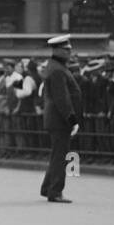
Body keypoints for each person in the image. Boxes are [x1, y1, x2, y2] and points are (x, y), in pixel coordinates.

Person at [40, 35, 82, 203]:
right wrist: (72, 119)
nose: (70, 52)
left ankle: (47, 187)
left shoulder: (56, 66)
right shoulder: (58, 69)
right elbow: (62, 98)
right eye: (67, 50)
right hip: (60, 119)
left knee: (57, 154)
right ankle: (55, 191)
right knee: (60, 156)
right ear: (58, 50)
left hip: (56, 118)